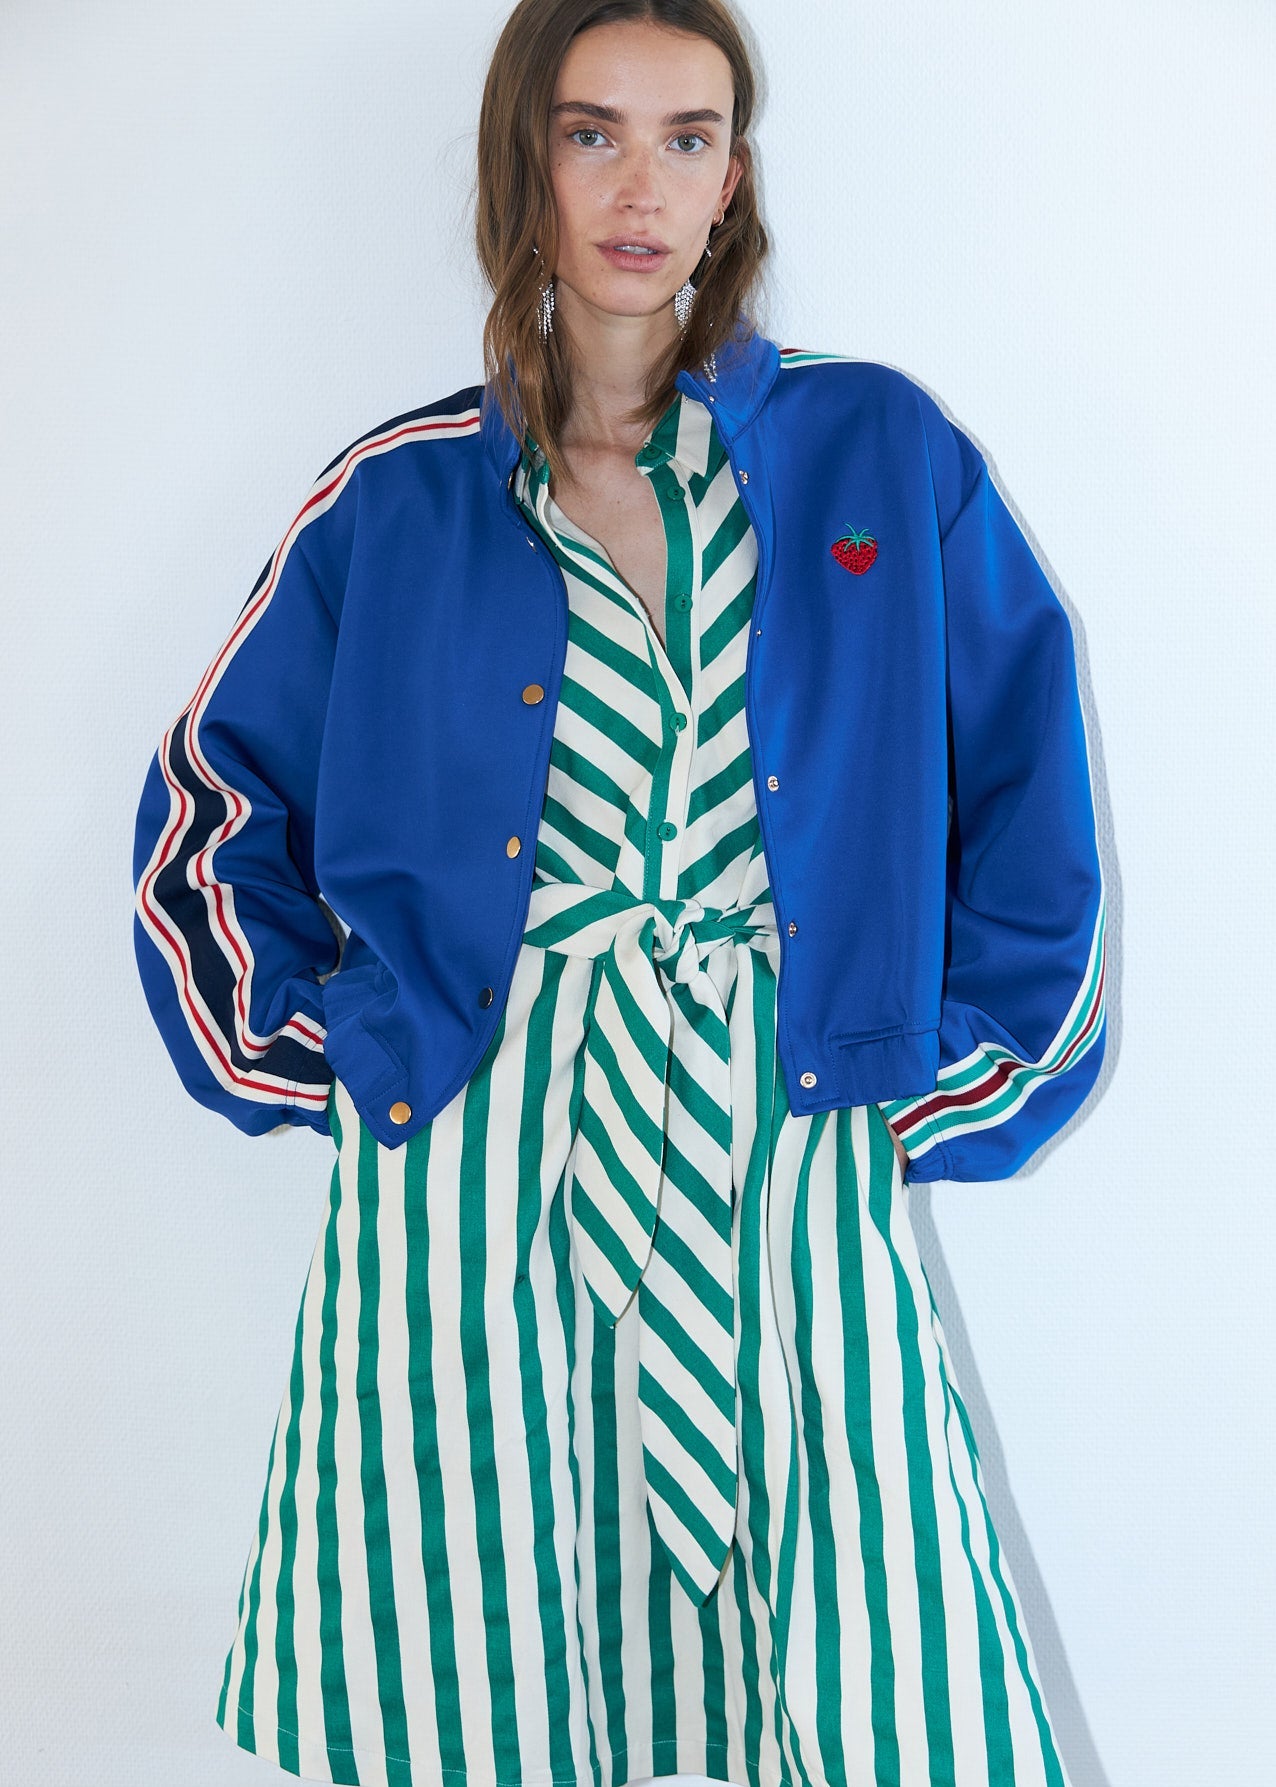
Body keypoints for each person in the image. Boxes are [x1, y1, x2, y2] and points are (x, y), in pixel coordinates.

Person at [131, 2, 1108, 1783]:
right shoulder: (399, 499)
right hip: (472, 1168)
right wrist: (344, 1062)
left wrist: (932, 1078)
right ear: (526, 159)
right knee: (480, 1663)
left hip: (785, 1137)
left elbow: (1034, 795)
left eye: (688, 137)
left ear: (734, 177)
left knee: (891, 1671)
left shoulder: (880, 452)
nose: (642, 188)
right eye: (593, 134)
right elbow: (209, 812)